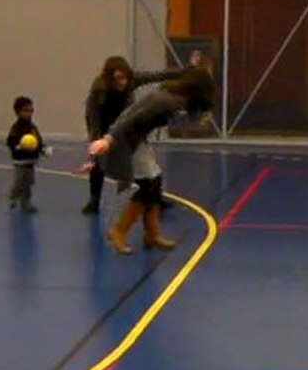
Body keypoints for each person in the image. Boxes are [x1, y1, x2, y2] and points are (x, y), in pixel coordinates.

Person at [87, 67, 215, 255]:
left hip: (137, 138)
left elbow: (132, 114)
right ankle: (119, 230)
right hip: (127, 140)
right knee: (148, 186)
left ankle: (152, 233)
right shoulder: (168, 101)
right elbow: (131, 119)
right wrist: (109, 139)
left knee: (155, 184)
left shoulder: (171, 96)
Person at [82, 56, 171, 215]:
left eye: (125, 78)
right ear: (110, 77)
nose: (122, 82)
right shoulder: (99, 91)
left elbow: (156, 75)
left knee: (143, 163)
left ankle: (155, 196)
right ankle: (94, 200)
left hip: (127, 125)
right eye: (118, 78)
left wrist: (185, 71)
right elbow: (94, 121)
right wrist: (96, 144)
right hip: (104, 125)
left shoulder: (131, 80)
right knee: (99, 164)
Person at [5, 96, 48, 213]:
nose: (29, 114)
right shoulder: (16, 128)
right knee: (19, 181)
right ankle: (13, 196)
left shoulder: (32, 128)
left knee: (28, 183)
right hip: (20, 161)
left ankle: (26, 203)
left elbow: (38, 141)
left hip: (31, 161)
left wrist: (43, 149)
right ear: (18, 112)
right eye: (25, 111)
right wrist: (18, 148)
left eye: (31, 111)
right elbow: (10, 142)